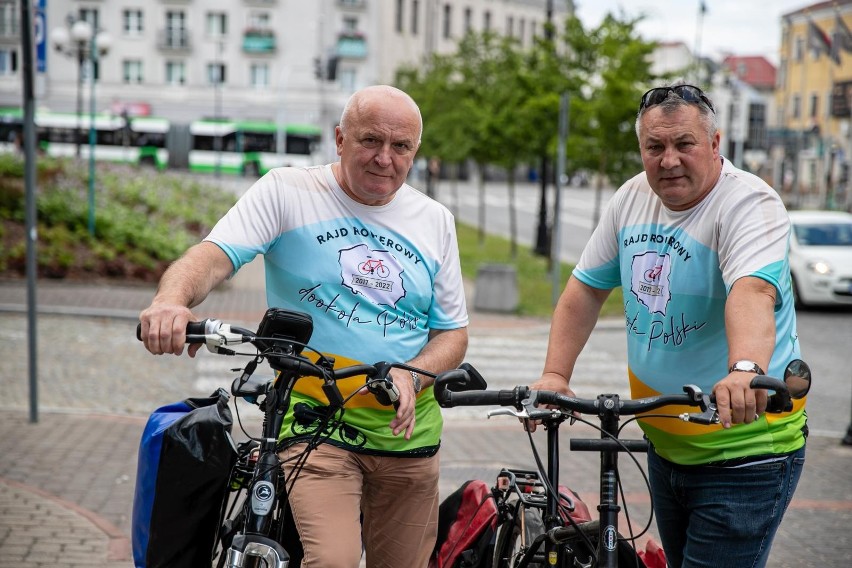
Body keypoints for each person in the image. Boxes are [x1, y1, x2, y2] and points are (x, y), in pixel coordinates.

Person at [139, 85, 469, 567]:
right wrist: (171, 301)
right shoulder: (288, 191)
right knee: (330, 561)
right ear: (339, 138)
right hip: (317, 422)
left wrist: (413, 373)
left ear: (415, 152)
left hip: (407, 434)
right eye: (370, 141)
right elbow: (212, 257)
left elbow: (453, 334)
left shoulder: (434, 220)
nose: (384, 158)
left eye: (401, 147)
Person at [530, 83, 806, 568]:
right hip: (665, 449)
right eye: (654, 147)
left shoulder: (748, 204)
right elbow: (585, 291)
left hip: (744, 454)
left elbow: (753, 291)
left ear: (715, 144)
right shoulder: (631, 198)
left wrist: (744, 369)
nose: (668, 160)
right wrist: (555, 375)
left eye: (684, 144)